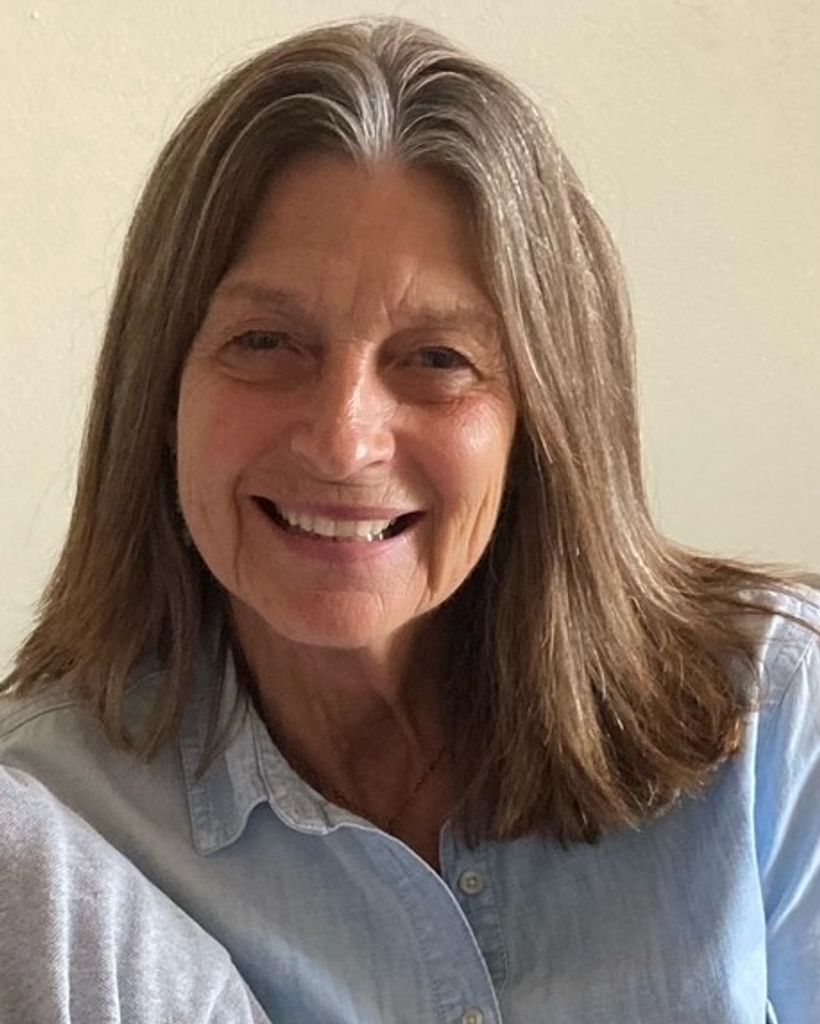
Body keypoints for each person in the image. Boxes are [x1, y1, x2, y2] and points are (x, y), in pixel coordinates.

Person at [1, 16, 818, 1024]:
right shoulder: (47, 837)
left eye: (437, 359)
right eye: (266, 342)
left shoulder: (777, 716)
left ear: (543, 416)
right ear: (159, 394)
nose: (343, 442)